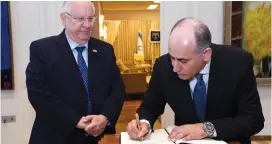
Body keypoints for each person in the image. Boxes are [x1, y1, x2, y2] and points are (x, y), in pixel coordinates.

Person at [127, 17, 264, 144]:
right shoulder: (163, 66)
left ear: (206, 54)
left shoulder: (237, 63)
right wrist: (144, 123)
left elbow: (253, 120)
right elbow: (150, 106)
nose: (175, 68)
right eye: (172, 58)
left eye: (182, 60)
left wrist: (206, 128)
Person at [26, 1, 125, 144]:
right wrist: (76, 120)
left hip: (92, 139)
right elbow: (38, 94)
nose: (87, 25)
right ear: (63, 18)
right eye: (80, 19)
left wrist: (105, 117)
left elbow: (117, 89)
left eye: (91, 18)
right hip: (53, 137)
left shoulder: (105, 50)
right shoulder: (42, 49)